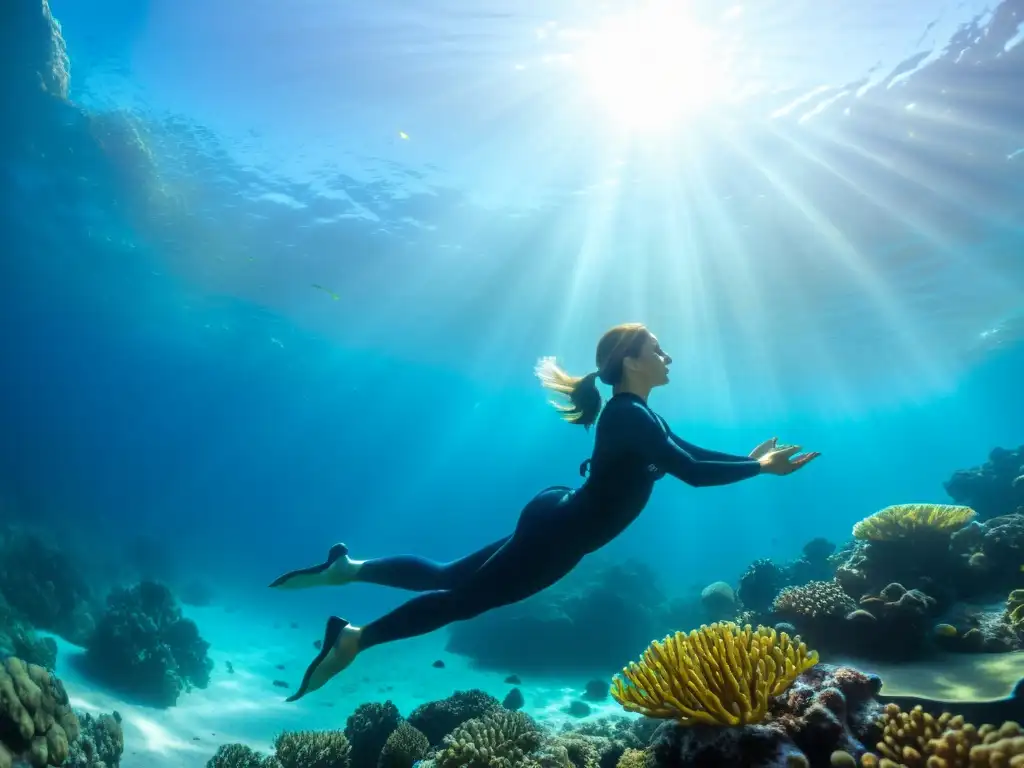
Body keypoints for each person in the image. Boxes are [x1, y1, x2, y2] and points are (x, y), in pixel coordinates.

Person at [270, 322, 819, 701]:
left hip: (557, 516)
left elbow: (694, 455)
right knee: (462, 600)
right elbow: (693, 474)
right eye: (659, 350)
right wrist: (762, 470)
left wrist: (747, 461)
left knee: (449, 576)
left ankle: (351, 570)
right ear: (630, 361)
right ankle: (353, 639)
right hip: (559, 536)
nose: (668, 357)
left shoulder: (640, 414)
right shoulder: (630, 417)